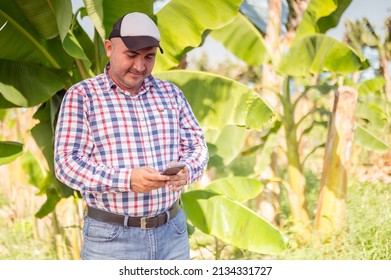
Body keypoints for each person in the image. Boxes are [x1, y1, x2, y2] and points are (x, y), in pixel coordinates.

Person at [54, 12, 208, 260]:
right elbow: (67, 164)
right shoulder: (83, 96)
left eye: (149, 57)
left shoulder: (171, 94)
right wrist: (127, 180)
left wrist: (188, 169)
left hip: (172, 234)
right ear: (108, 48)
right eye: (131, 55)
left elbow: (197, 146)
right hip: (111, 240)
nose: (140, 66)